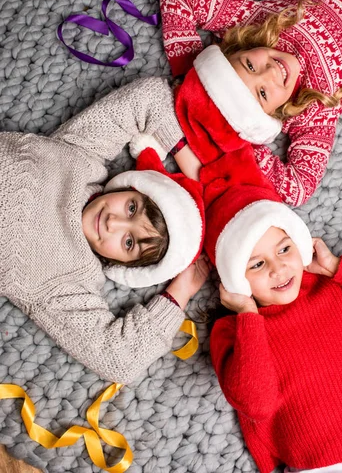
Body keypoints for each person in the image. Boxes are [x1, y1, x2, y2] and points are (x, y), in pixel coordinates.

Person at [201, 148, 342, 473]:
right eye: (258, 264)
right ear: (236, 280)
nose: (278, 268)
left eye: (284, 249)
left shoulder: (328, 290)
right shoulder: (234, 332)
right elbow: (257, 404)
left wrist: (339, 269)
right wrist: (248, 315)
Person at [0, 76, 208, 384]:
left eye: (127, 242)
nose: (113, 222)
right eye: (131, 208)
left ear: (122, 266)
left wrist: (180, 292)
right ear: (131, 186)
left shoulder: (72, 283)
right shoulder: (84, 156)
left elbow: (121, 360)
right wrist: (197, 172)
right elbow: (148, 97)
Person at [160, 0, 342, 206]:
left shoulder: (255, 24)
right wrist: (245, 145)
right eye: (262, 93)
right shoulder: (312, 112)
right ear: (269, 118)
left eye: (250, 65)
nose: (270, 72)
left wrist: (191, 81)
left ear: (237, 50)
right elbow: (297, 189)